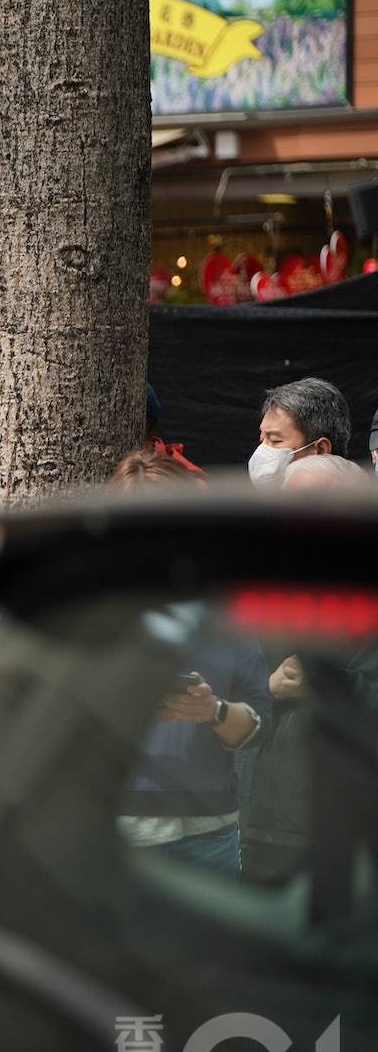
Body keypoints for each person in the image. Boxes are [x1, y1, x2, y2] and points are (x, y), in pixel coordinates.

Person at [106, 449, 269, 873]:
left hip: (209, 832)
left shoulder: (222, 605)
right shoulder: (94, 606)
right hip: (113, 830)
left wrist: (212, 711)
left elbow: (257, 726)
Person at [240, 451, 375, 883]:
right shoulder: (261, 593)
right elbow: (222, 690)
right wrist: (268, 688)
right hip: (251, 826)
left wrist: (325, 684)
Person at [250, 376, 351, 487]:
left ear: (320, 450)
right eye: (262, 440)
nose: (261, 453)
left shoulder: (354, 501)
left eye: (275, 441)